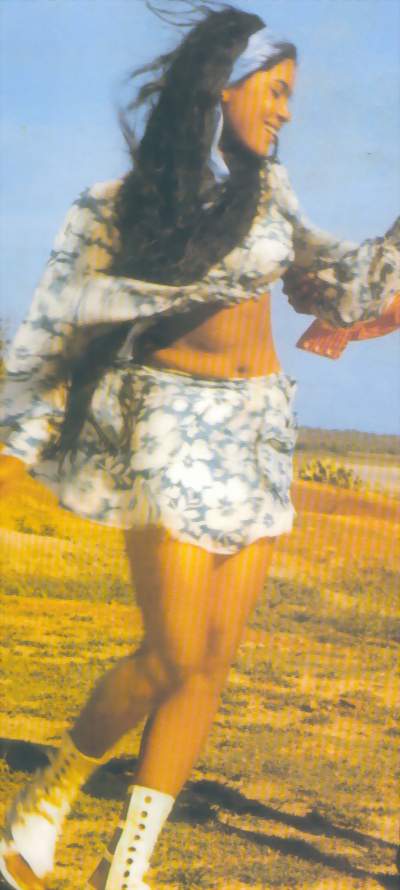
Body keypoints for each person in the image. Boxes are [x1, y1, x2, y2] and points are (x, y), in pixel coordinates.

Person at [0, 5, 398, 890]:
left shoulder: (271, 194)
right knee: (171, 654)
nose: (287, 111)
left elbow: (346, 282)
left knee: (211, 661)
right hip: (171, 425)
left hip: (259, 429)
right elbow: (55, 325)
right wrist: (18, 443)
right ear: (223, 87)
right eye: (276, 91)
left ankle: (127, 869)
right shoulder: (120, 205)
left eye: (291, 95)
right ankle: (44, 801)